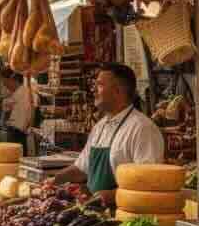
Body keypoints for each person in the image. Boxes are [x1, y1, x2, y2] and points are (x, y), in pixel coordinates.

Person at [53, 63, 165, 206]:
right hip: (94, 211)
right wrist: (54, 179)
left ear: (117, 91)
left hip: (125, 213)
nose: (93, 90)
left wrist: (112, 196)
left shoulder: (142, 129)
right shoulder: (99, 126)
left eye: (99, 85)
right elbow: (82, 168)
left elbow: (148, 180)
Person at [1, 69, 33, 149]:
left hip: (18, 132)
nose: (5, 86)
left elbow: (6, 107)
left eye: (6, 83)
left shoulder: (22, 93)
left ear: (13, 80)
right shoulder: (18, 93)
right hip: (16, 131)